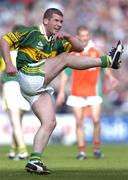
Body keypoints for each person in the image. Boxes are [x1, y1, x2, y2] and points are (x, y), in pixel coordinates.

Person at [0, 8, 123, 175]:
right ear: (45, 21)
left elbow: (80, 47)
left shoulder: (58, 40)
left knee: (50, 122)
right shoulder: (31, 33)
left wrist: (67, 36)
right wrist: (8, 63)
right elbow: (4, 40)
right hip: (28, 74)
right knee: (65, 58)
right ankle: (108, 60)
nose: (59, 24)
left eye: (61, 22)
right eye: (56, 20)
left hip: (35, 87)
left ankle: (34, 160)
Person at [56, 26, 118, 160]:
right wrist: (61, 92)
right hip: (76, 93)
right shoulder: (72, 52)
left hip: (94, 92)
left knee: (96, 120)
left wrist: (110, 77)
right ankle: (82, 151)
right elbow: (65, 74)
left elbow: (105, 65)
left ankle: (96, 148)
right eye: (82, 36)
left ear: (89, 36)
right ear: (78, 37)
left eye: (86, 35)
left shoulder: (97, 50)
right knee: (79, 122)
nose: (84, 38)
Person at [0, 25, 30, 160]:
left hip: (11, 85)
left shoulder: (4, 49)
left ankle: (22, 150)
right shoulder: (28, 50)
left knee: (15, 119)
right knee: (18, 119)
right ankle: (13, 149)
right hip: (24, 86)